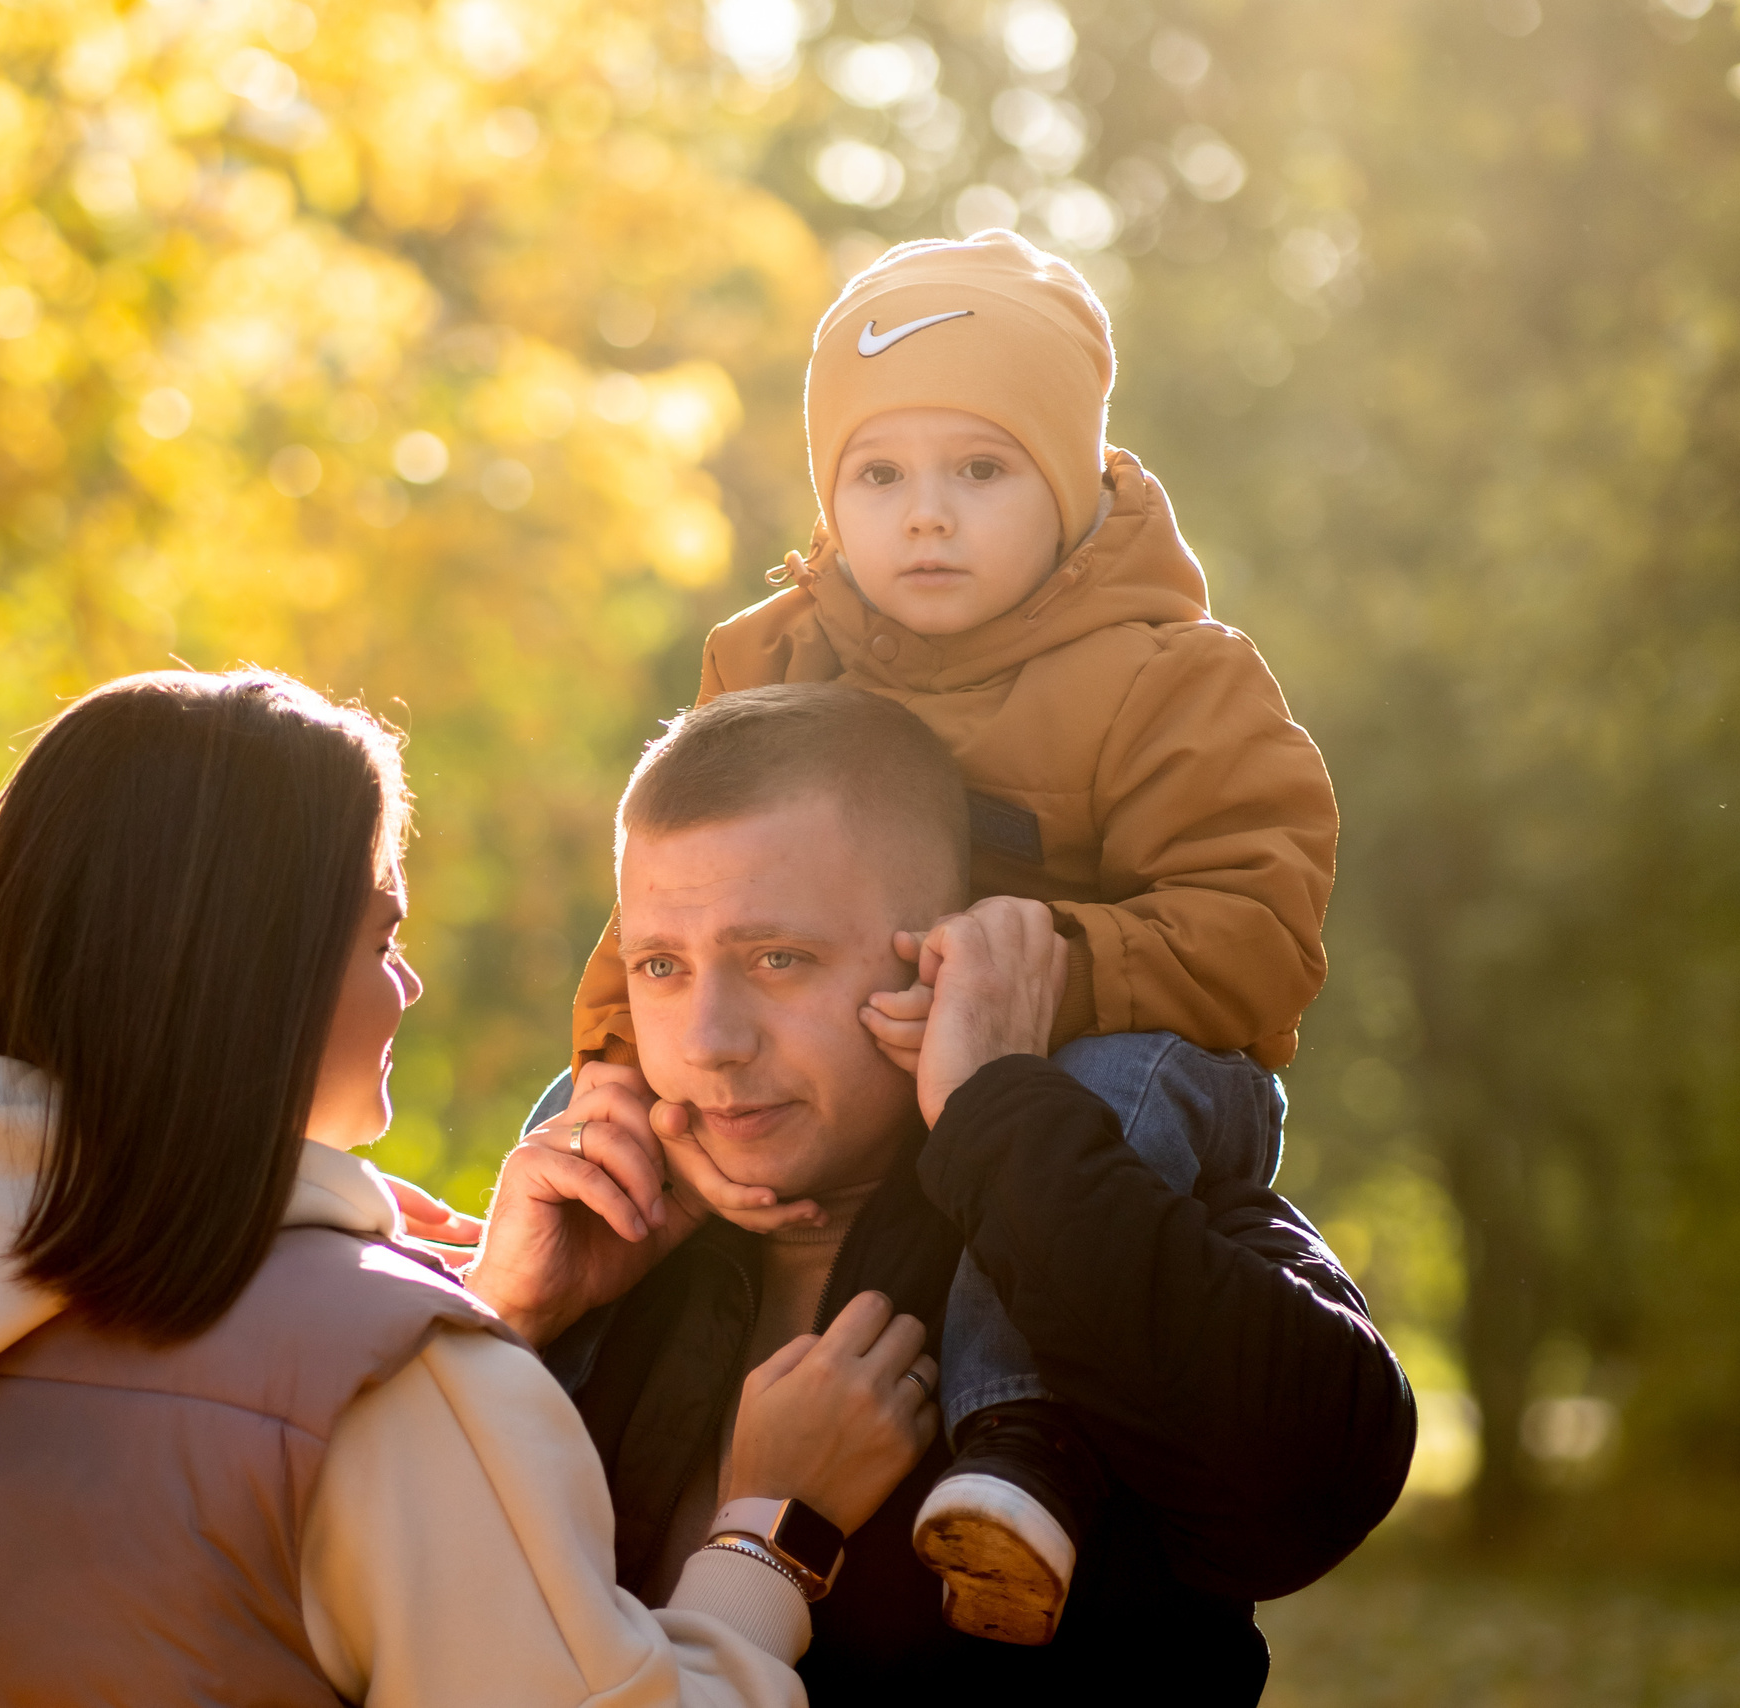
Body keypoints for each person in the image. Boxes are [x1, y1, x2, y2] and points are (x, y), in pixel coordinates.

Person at [0, 667, 942, 1708]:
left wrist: (500, 1320)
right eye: (380, 937)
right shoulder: (386, 1383)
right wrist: (771, 1528)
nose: (409, 985)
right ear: (253, 970)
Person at [561, 228, 1339, 1642]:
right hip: (881, 1058)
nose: (926, 517)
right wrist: (624, 1070)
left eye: (981, 471)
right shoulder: (769, 654)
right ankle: (542, 1377)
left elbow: (1258, 921)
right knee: (578, 1107)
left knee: (1077, 1107)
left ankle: (1023, 1444)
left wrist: (1055, 977)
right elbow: (674, 896)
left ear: (1070, 484)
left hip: (1122, 1044)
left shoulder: (1168, 677)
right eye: (879, 476)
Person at [469, 685, 1413, 1701]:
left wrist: (996, 1119)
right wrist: (505, 1321)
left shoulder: (1109, 1173)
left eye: (778, 958)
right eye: (660, 965)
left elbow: (1307, 1492)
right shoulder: (590, 1237)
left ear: (938, 960)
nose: (709, 1042)